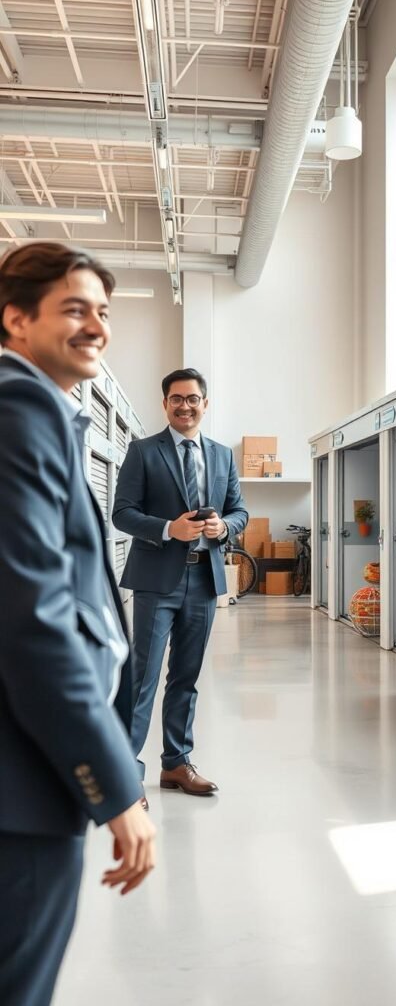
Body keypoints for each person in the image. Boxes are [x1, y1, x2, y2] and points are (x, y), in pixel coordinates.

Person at [0, 242, 156, 1006]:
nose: (96, 325)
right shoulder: (18, 407)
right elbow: (33, 621)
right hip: (20, 783)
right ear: (15, 319)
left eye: (102, 311)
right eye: (73, 308)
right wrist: (116, 787)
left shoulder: (41, 411)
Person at [113, 368, 248, 799]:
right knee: (143, 679)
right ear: (165, 403)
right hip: (157, 581)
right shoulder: (142, 451)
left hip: (203, 580)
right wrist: (170, 528)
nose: (185, 406)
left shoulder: (223, 455)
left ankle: (176, 764)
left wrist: (224, 528)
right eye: (176, 398)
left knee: (186, 678)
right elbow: (123, 512)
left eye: (193, 399)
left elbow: (239, 510)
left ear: (205, 404)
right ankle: (126, 773)